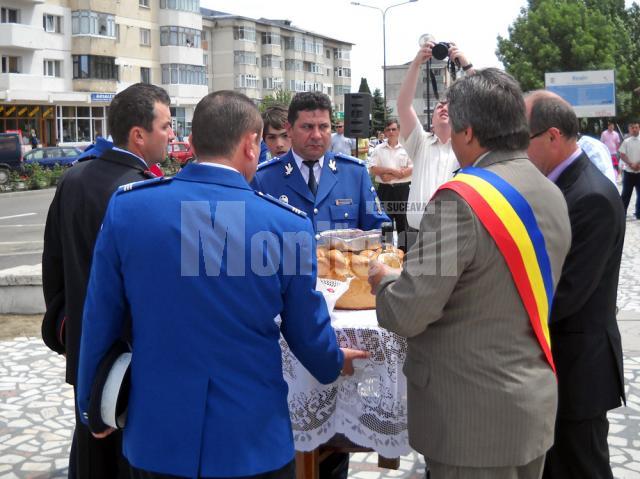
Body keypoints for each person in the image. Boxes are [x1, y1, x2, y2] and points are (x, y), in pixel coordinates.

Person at [75, 90, 368, 479]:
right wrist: (332, 361)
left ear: (192, 143)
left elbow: (99, 318)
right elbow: (305, 330)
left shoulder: (129, 208)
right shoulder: (288, 224)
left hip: (158, 437)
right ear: (251, 144)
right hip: (250, 439)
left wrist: (91, 406)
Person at [369, 69, 571, 479]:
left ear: (469, 133)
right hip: (529, 408)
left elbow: (407, 312)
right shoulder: (550, 190)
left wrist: (384, 279)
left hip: (470, 424)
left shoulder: (462, 200)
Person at [41, 83, 174, 479]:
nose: (173, 134)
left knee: (90, 448)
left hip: (84, 344)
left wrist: (69, 328)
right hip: (132, 352)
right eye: (166, 126)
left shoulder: (73, 179)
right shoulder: (144, 191)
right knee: (127, 455)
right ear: (139, 134)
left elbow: (54, 267)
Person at [525, 90, 626, 479]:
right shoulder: (560, 186)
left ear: (552, 136)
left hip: (578, 370)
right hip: (557, 365)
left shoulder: (591, 196)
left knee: (582, 468)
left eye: (524, 139)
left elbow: (566, 293)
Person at [252, 91, 389, 233]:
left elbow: (380, 228)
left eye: (323, 127)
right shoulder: (263, 179)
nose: (316, 135)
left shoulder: (355, 174)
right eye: (307, 127)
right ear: (289, 129)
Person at [397, 42, 473, 248]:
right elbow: (403, 104)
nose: (443, 107)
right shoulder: (420, 142)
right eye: (439, 105)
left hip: (454, 239)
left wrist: (466, 65)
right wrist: (416, 63)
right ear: (431, 118)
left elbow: (490, 104)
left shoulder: (469, 147)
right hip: (417, 237)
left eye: (450, 105)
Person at [369, 119, 413, 250]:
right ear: (385, 132)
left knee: (403, 224)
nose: (391, 132)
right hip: (385, 191)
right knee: (385, 223)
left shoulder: (407, 148)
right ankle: (387, 254)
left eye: (394, 129)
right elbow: (372, 169)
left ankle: (403, 255)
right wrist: (393, 171)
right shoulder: (378, 149)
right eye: (388, 130)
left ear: (399, 131)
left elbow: (411, 169)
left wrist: (392, 174)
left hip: (402, 191)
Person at [619, 120, 640, 219]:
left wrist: (638, 164)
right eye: (633, 128)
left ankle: (639, 213)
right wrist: (630, 164)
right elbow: (622, 155)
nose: (635, 129)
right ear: (630, 129)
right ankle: (622, 213)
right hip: (629, 172)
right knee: (626, 194)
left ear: (639, 128)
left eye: (636, 127)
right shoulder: (626, 141)